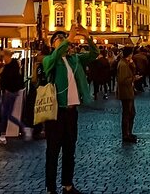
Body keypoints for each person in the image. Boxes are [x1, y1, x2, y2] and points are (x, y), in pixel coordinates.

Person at [43, 24, 98, 194]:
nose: (64, 42)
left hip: (71, 112)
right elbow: (56, 55)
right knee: (52, 152)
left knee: (69, 150)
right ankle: (50, 188)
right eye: (59, 40)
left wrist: (87, 36)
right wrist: (69, 38)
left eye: (64, 39)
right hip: (56, 112)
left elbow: (94, 54)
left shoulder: (75, 59)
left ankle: (68, 185)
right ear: (53, 44)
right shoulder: (50, 60)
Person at [0, 49, 26, 143]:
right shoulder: (12, 65)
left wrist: (6, 89)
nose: (3, 58)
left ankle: (3, 135)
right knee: (7, 115)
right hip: (10, 92)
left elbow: (8, 79)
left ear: (7, 56)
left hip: (9, 92)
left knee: (5, 115)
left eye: (3, 56)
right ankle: (23, 127)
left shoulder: (10, 66)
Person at [117, 47, 138, 143]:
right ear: (129, 54)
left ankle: (129, 132)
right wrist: (134, 79)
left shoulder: (126, 63)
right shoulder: (123, 65)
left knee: (131, 113)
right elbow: (122, 80)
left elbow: (132, 71)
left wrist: (132, 63)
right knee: (127, 113)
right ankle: (126, 134)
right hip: (126, 92)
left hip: (129, 92)